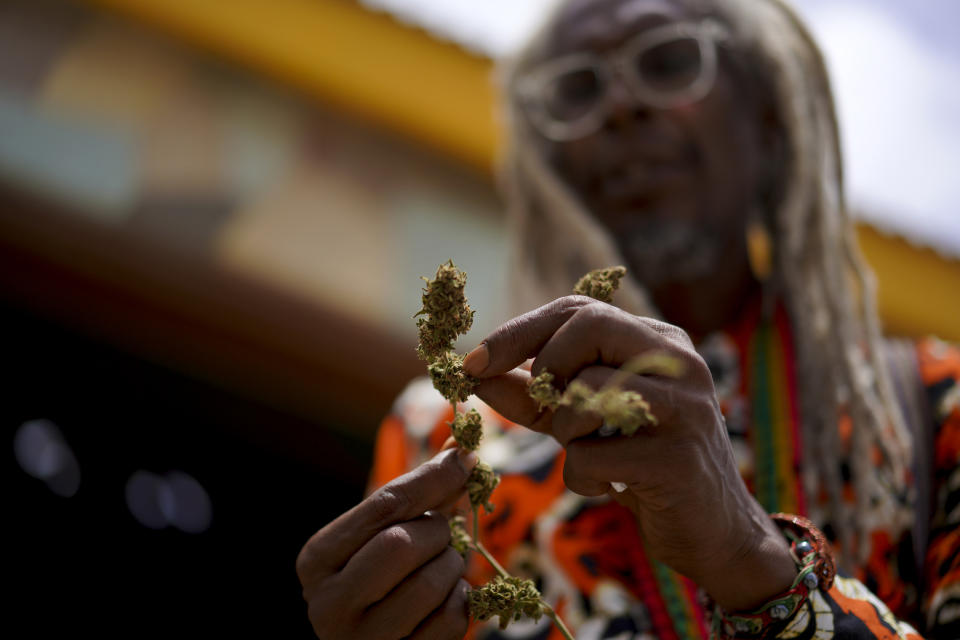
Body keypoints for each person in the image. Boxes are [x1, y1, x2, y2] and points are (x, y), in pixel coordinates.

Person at [295, 0, 959, 638]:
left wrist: (746, 554)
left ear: (767, 120)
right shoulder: (444, 436)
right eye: (577, 90)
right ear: (549, 170)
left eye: (669, 62)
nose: (619, 106)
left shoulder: (935, 408)